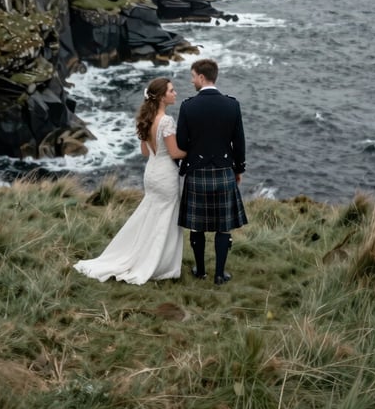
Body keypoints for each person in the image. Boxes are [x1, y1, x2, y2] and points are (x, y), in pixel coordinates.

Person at [73, 77, 187, 284]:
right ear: (162, 97)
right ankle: (158, 263)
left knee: (152, 215)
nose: (175, 93)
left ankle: (143, 255)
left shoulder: (147, 119)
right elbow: (175, 153)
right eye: (171, 90)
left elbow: (145, 151)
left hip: (151, 172)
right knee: (164, 218)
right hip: (165, 174)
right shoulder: (166, 121)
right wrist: (194, 149)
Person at [176, 58, 248, 285]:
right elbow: (240, 142)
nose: (191, 80)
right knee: (223, 226)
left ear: (201, 77)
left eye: (192, 76)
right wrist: (238, 168)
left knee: (197, 225)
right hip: (224, 171)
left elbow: (181, 142)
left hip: (197, 173)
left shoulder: (188, 106)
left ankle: (200, 271)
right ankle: (219, 274)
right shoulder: (232, 105)